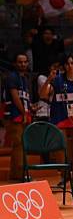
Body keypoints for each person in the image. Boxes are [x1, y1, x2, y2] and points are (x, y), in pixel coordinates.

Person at [40, 53, 73, 197]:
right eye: (67, 63)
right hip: (61, 119)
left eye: (72, 63)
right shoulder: (57, 80)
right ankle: (64, 176)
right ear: (64, 66)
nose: (70, 66)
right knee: (60, 149)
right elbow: (43, 95)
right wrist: (48, 80)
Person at [3, 52, 33, 181]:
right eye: (20, 62)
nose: (23, 64)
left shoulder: (25, 79)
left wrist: (30, 108)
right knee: (19, 145)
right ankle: (19, 175)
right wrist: (23, 113)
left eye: (25, 62)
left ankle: (17, 174)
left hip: (23, 115)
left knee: (22, 145)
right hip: (15, 116)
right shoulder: (12, 77)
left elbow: (24, 98)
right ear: (15, 63)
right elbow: (15, 98)